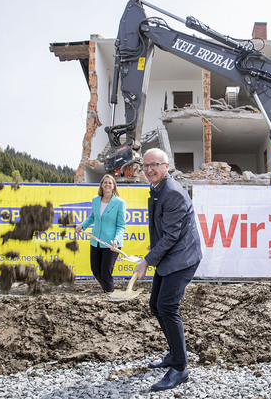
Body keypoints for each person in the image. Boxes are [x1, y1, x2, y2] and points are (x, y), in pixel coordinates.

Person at [133, 148, 203, 392]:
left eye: (155, 165)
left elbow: (172, 235)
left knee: (167, 306)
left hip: (182, 258)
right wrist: (152, 253)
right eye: (145, 166)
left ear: (166, 165)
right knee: (156, 305)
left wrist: (146, 261)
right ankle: (174, 355)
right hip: (170, 255)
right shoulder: (157, 189)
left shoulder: (171, 193)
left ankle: (180, 368)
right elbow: (160, 230)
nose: (149, 170)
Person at [75, 174, 126, 293]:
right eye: (105, 182)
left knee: (105, 272)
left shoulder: (119, 203)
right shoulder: (95, 200)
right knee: (95, 270)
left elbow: (121, 225)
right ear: (101, 185)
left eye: (110, 183)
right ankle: (108, 290)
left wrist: (116, 239)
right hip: (95, 241)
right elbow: (92, 217)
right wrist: (82, 225)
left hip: (111, 243)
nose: (107, 184)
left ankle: (109, 294)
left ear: (114, 186)